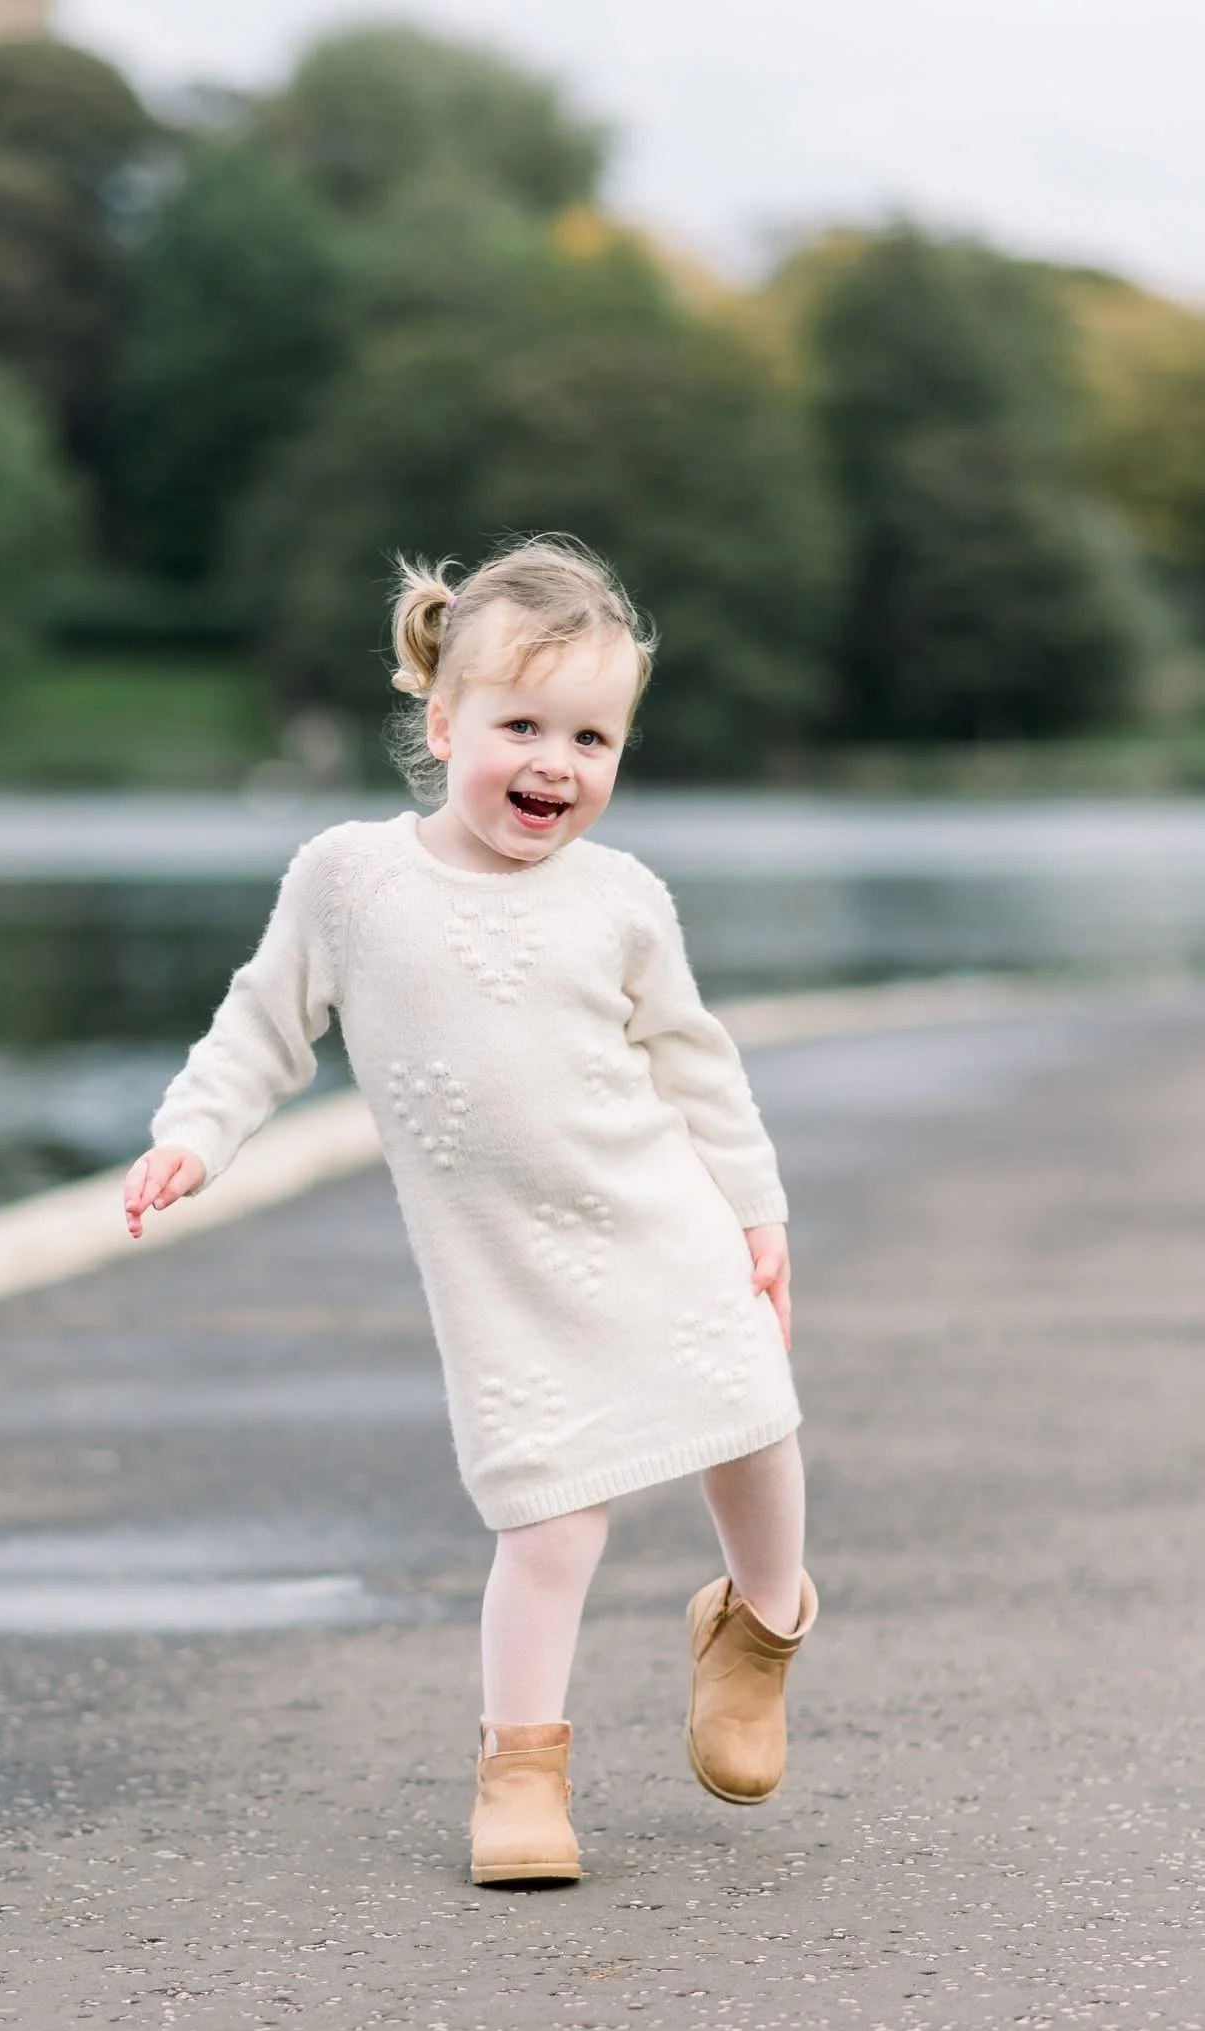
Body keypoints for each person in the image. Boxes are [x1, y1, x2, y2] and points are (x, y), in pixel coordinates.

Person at [122, 536, 817, 1886]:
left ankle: (762, 1623)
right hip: (499, 1272)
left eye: (591, 738)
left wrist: (755, 1208)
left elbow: (696, 1065)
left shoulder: (622, 899)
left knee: (753, 1423)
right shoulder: (351, 881)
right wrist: (192, 1137)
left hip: (661, 1223)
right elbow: (262, 1026)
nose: (557, 763)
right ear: (443, 724)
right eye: (523, 728)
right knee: (547, 1522)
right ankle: (521, 1773)